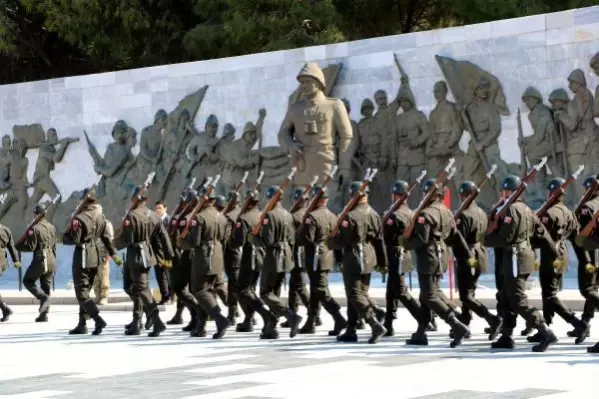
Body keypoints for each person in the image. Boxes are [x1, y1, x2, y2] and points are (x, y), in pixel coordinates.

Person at [484, 175, 557, 352]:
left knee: (517, 299)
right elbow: (541, 233)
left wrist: (486, 237)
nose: (504, 194)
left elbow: (504, 237)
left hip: (515, 258)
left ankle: (545, 331)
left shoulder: (510, 210)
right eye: (504, 191)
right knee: (506, 296)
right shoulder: (526, 209)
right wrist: (548, 251)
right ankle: (506, 336)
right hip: (523, 256)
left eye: (507, 191)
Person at [403, 179, 471, 348]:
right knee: (426, 295)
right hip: (441, 256)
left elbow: (421, 240)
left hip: (428, 257)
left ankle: (456, 325)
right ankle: (421, 333)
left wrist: (404, 242)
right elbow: (454, 235)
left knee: (429, 296)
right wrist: (466, 255)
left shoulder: (425, 214)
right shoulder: (447, 212)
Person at [529, 178, 588, 344]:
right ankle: (545, 327)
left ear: (550, 193)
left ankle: (578, 324)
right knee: (547, 293)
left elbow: (542, 237)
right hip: (563, 254)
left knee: (550, 295)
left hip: (551, 256)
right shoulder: (569, 212)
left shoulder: (549, 213)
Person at [330, 181, 387, 344]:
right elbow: (379, 240)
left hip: (354, 257)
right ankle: (351, 329)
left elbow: (341, 241)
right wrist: (382, 262)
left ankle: (374, 323)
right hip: (369, 257)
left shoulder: (350, 216)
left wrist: (331, 241)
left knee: (355, 295)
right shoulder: (375, 214)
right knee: (356, 295)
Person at [63, 189, 123, 335]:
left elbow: (75, 239)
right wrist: (114, 254)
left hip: (83, 256)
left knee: (81, 293)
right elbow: (107, 239)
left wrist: (66, 234)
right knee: (86, 291)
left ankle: (97, 319)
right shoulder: (100, 217)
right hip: (95, 257)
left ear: (83, 202)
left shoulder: (80, 218)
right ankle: (82, 323)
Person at [119, 187, 173, 337]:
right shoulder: (153, 216)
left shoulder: (132, 216)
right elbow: (163, 236)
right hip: (148, 256)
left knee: (140, 288)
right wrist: (169, 255)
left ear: (135, 199)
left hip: (136, 256)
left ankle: (155, 320)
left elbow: (128, 240)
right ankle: (137, 320)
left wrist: (124, 227)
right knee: (134, 287)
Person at [178, 189, 230, 339]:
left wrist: (181, 242)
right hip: (218, 255)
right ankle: (201, 326)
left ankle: (219, 318)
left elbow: (195, 241)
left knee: (199, 290)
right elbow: (223, 237)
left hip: (204, 257)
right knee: (208, 291)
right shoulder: (222, 217)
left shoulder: (200, 217)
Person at [251, 186, 302, 339]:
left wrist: (252, 237)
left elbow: (268, 240)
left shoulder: (269, 216)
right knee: (275, 293)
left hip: (273, 256)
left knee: (265, 293)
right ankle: (271, 327)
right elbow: (292, 240)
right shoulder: (288, 214)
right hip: (285, 256)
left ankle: (290, 316)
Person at [454, 181, 502, 339]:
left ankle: (491, 319)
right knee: (470, 292)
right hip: (480, 255)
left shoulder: (463, 215)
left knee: (465, 296)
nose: (461, 198)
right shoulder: (481, 212)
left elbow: (458, 239)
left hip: (467, 257)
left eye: (462, 195)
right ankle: (464, 322)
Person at [299, 184, 346, 335]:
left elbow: (307, 239)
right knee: (315, 290)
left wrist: (298, 232)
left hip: (315, 258)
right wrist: (338, 259)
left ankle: (338, 317)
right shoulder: (333, 216)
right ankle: (310, 321)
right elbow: (337, 241)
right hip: (327, 257)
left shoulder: (312, 217)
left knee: (320, 290)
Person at [382, 180, 422, 336]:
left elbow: (386, 236)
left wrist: (384, 221)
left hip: (395, 255)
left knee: (400, 291)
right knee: (391, 292)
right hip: (404, 255)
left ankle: (423, 318)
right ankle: (388, 322)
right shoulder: (411, 213)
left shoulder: (395, 215)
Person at [16, 204, 57, 322]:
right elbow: (54, 247)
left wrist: (18, 246)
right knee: (46, 285)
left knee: (27, 280)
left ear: (36, 214)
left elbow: (31, 246)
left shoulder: (35, 228)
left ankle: (43, 298)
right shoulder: (52, 227)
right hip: (51, 259)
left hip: (40, 258)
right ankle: (44, 314)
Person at [231, 189, 264, 333]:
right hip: (262, 256)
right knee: (251, 289)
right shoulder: (263, 215)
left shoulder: (244, 218)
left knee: (242, 290)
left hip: (249, 257)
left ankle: (261, 315)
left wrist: (232, 238)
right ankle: (249, 318)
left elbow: (238, 241)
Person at [284, 188, 312, 329]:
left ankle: (314, 315)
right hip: (304, 253)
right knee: (294, 285)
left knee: (300, 286)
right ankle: (292, 313)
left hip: (296, 253)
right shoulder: (308, 214)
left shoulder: (294, 215)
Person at [0, 221, 20, 321]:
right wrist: (16, 260)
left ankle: (5, 308)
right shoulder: (5, 229)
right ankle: (5, 309)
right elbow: (12, 247)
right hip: (2, 262)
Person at [93, 208, 112, 306]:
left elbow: (110, 241)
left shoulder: (106, 224)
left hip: (103, 254)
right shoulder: (91, 223)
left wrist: (109, 255)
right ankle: (97, 295)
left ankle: (104, 296)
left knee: (104, 276)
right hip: (93, 254)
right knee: (95, 277)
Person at [154, 201, 172, 304]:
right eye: (156, 208)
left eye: (160, 208)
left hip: (166, 254)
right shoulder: (155, 220)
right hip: (157, 254)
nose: (158, 210)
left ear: (165, 209)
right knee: (159, 276)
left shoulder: (169, 221)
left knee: (167, 274)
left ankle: (170, 296)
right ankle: (165, 296)